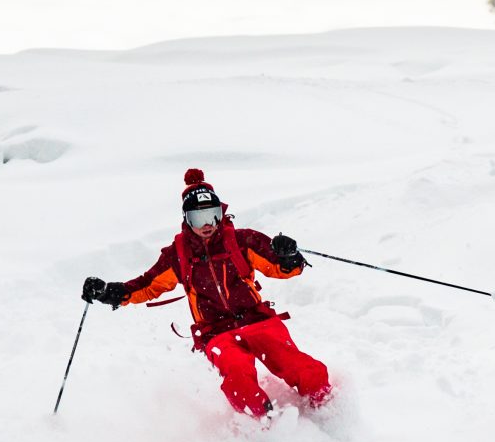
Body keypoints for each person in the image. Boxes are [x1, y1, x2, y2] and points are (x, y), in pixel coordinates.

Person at [82, 168, 335, 420]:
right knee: (237, 374)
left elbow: (281, 268)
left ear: (220, 213)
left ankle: (329, 408)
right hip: (217, 332)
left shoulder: (242, 240)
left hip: (258, 321)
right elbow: (148, 285)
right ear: (186, 219)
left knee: (300, 367)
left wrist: (289, 255)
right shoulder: (178, 255)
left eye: (212, 215)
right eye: (197, 217)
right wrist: (109, 293)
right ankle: (263, 426)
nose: (206, 225)